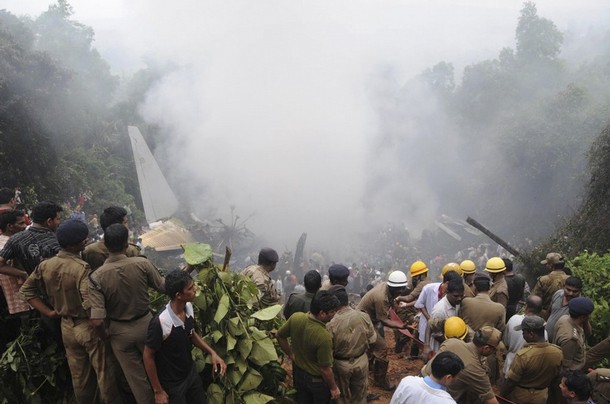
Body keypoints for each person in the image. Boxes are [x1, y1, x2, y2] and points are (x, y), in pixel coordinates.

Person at [20, 220, 120, 403]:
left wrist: (49, 312)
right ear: (75, 244)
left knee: (79, 376)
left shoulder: (45, 265)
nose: (86, 242)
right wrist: (101, 330)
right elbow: (89, 304)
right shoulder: (81, 268)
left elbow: (26, 291)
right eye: (83, 240)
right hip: (87, 326)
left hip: (66, 326)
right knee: (105, 374)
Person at [89, 223, 166, 404]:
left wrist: (105, 335)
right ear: (127, 244)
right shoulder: (142, 263)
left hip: (119, 332)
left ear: (106, 246)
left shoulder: (96, 277)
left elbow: (97, 321)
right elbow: (163, 287)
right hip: (147, 326)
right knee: (159, 369)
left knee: (136, 380)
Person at [143, 270, 226, 404]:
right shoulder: (161, 322)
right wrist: (158, 391)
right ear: (179, 295)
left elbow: (191, 334)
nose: (195, 290)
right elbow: (148, 356)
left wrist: (212, 353)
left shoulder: (188, 308)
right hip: (173, 383)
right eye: (190, 288)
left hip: (190, 373)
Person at [277, 290, 341, 403]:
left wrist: (291, 354)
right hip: (316, 382)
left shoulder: (296, 317)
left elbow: (280, 336)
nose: (334, 314)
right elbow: (325, 369)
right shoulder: (324, 337)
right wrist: (334, 388)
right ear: (322, 313)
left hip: (299, 375)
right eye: (332, 312)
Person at [357, 270, 412, 390]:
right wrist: (401, 326)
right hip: (364, 322)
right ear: (393, 287)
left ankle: (371, 367)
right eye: (400, 289)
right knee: (381, 348)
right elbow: (384, 320)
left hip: (370, 319)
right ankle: (379, 380)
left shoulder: (387, 288)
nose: (401, 292)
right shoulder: (381, 297)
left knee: (372, 347)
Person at [423, 326, 502, 404]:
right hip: (440, 399)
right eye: (494, 349)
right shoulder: (476, 370)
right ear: (486, 348)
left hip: (422, 384)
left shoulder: (451, 342)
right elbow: (491, 401)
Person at [326, 286, 376, 404]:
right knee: (360, 396)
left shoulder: (330, 323)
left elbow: (328, 349)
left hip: (340, 364)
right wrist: (368, 355)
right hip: (361, 360)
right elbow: (373, 341)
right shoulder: (363, 316)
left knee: (341, 397)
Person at [500, 316, 563, 404]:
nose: (523, 335)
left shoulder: (523, 355)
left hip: (521, 395)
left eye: (523, 332)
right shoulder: (557, 352)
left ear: (531, 334)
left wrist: (502, 395)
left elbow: (511, 382)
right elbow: (557, 376)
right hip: (541, 395)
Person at [0, 201, 62, 278]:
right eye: (58, 219)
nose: (59, 222)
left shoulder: (15, 239)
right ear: (49, 221)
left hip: (30, 287)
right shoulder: (58, 240)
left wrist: (25, 274)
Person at [415, 269, 462, 361]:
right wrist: (431, 319)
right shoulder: (429, 289)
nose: (459, 298)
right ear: (448, 283)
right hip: (435, 331)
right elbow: (419, 304)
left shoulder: (455, 298)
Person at [390, 351, 464, 404]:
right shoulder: (448, 402)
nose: (456, 379)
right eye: (456, 376)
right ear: (448, 378)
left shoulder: (407, 382)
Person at [82, 206, 141, 271]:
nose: (127, 226)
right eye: (125, 222)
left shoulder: (88, 251)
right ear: (117, 227)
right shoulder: (131, 251)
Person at [393, 260, 430, 358]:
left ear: (421, 275)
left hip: (419, 311)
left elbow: (411, 297)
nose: (413, 278)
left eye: (415, 276)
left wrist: (398, 298)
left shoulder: (423, 284)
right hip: (415, 309)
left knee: (411, 331)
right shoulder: (416, 282)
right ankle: (410, 352)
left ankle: (412, 353)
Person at [503, 295, 546, 374]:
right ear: (540, 310)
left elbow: (505, 342)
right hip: (530, 370)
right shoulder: (543, 331)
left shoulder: (513, 319)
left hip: (510, 365)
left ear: (526, 307)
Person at [0, 210, 30, 315]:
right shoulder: (8, 245)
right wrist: (23, 274)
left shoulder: (6, 241)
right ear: (10, 226)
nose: (25, 226)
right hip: (19, 300)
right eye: (21, 223)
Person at [553, 296, 595, 371]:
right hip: (572, 373)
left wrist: (585, 319)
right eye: (589, 315)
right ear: (583, 317)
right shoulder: (571, 339)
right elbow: (565, 366)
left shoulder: (564, 318)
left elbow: (588, 333)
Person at [428, 279, 464, 354]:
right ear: (447, 292)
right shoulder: (440, 310)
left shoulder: (456, 303)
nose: (459, 299)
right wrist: (454, 344)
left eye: (461, 296)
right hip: (440, 349)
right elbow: (436, 334)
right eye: (456, 296)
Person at [532, 252, 568, 319]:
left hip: (546, 317)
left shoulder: (543, 280)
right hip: (565, 316)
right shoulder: (569, 279)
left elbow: (535, 299)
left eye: (547, 264)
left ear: (551, 265)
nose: (546, 266)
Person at [546, 277, 583, 341]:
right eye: (568, 290)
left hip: (561, 341)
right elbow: (549, 311)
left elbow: (583, 328)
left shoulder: (580, 305)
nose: (571, 293)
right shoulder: (558, 294)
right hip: (546, 338)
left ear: (580, 291)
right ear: (563, 287)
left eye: (575, 291)